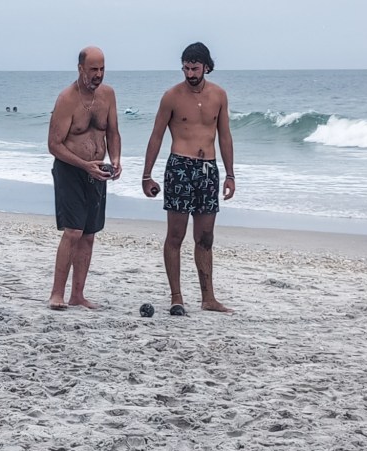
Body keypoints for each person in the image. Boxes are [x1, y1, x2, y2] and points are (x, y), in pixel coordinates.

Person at [142, 42, 236, 315]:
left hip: (208, 169)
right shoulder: (171, 96)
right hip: (180, 167)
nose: (190, 73)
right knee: (175, 235)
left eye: (195, 68)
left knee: (205, 237)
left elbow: (225, 136)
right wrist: (147, 175)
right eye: (186, 68)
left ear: (206, 66)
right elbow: (156, 136)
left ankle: (208, 298)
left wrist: (230, 175)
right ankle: (177, 297)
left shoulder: (219, 95)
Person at [46, 46, 122, 310]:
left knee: (89, 234)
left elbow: (113, 132)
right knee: (73, 232)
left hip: (97, 172)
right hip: (71, 170)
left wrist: (115, 160)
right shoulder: (67, 99)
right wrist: (84, 165)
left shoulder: (108, 95)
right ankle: (57, 293)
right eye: (93, 69)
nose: (98, 74)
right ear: (80, 69)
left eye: (102, 69)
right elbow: (54, 145)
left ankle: (77, 295)